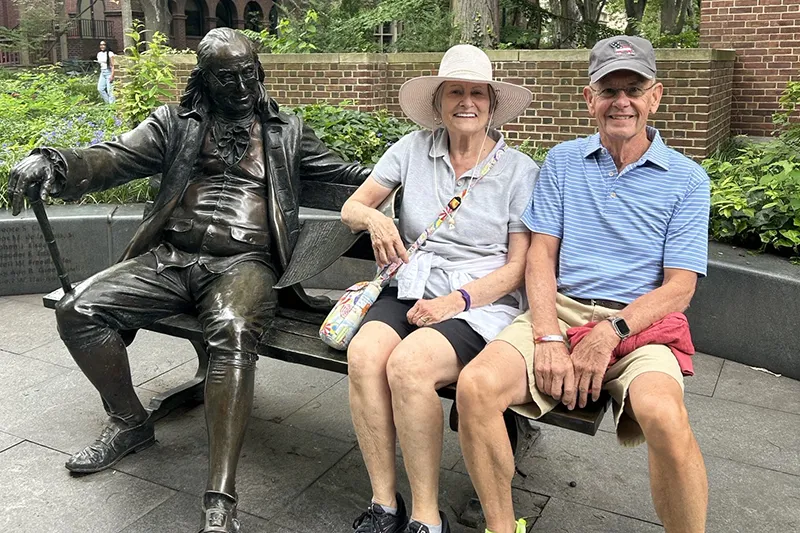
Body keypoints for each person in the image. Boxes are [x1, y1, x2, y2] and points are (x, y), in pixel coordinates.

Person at [7, 28, 369, 533]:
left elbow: (349, 176)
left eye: (249, 75)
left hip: (244, 264)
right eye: (227, 79)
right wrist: (56, 160)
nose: (242, 88)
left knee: (233, 331)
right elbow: (113, 156)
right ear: (205, 79)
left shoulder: (287, 131)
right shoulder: (175, 123)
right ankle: (130, 423)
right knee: (79, 310)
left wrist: (405, 173)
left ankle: (220, 497)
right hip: (171, 257)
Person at [456, 36, 711, 533]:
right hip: (563, 307)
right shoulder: (564, 162)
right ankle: (502, 526)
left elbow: (679, 287)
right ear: (588, 99)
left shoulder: (687, 179)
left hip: (639, 321)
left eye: (633, 89)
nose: (622, 101)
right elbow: (540, 256)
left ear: (654, 96)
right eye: (609, 89)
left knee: (665, 416)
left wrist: (611, 330)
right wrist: (549, 335)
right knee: (476, 386)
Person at [341, 44, 538, 533]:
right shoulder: (411, 149)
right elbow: (352, 208)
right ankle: (384, 504)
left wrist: (456, 302)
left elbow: (518, 268)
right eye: (456, 92)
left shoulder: (519, 171)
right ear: (438, 102)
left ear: (492, 105)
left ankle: (427, 518)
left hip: (479, 300)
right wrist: (374, 220)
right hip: (413, 282)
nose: (466, 102)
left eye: (477, 93)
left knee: (409, 367)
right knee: (365, 354)